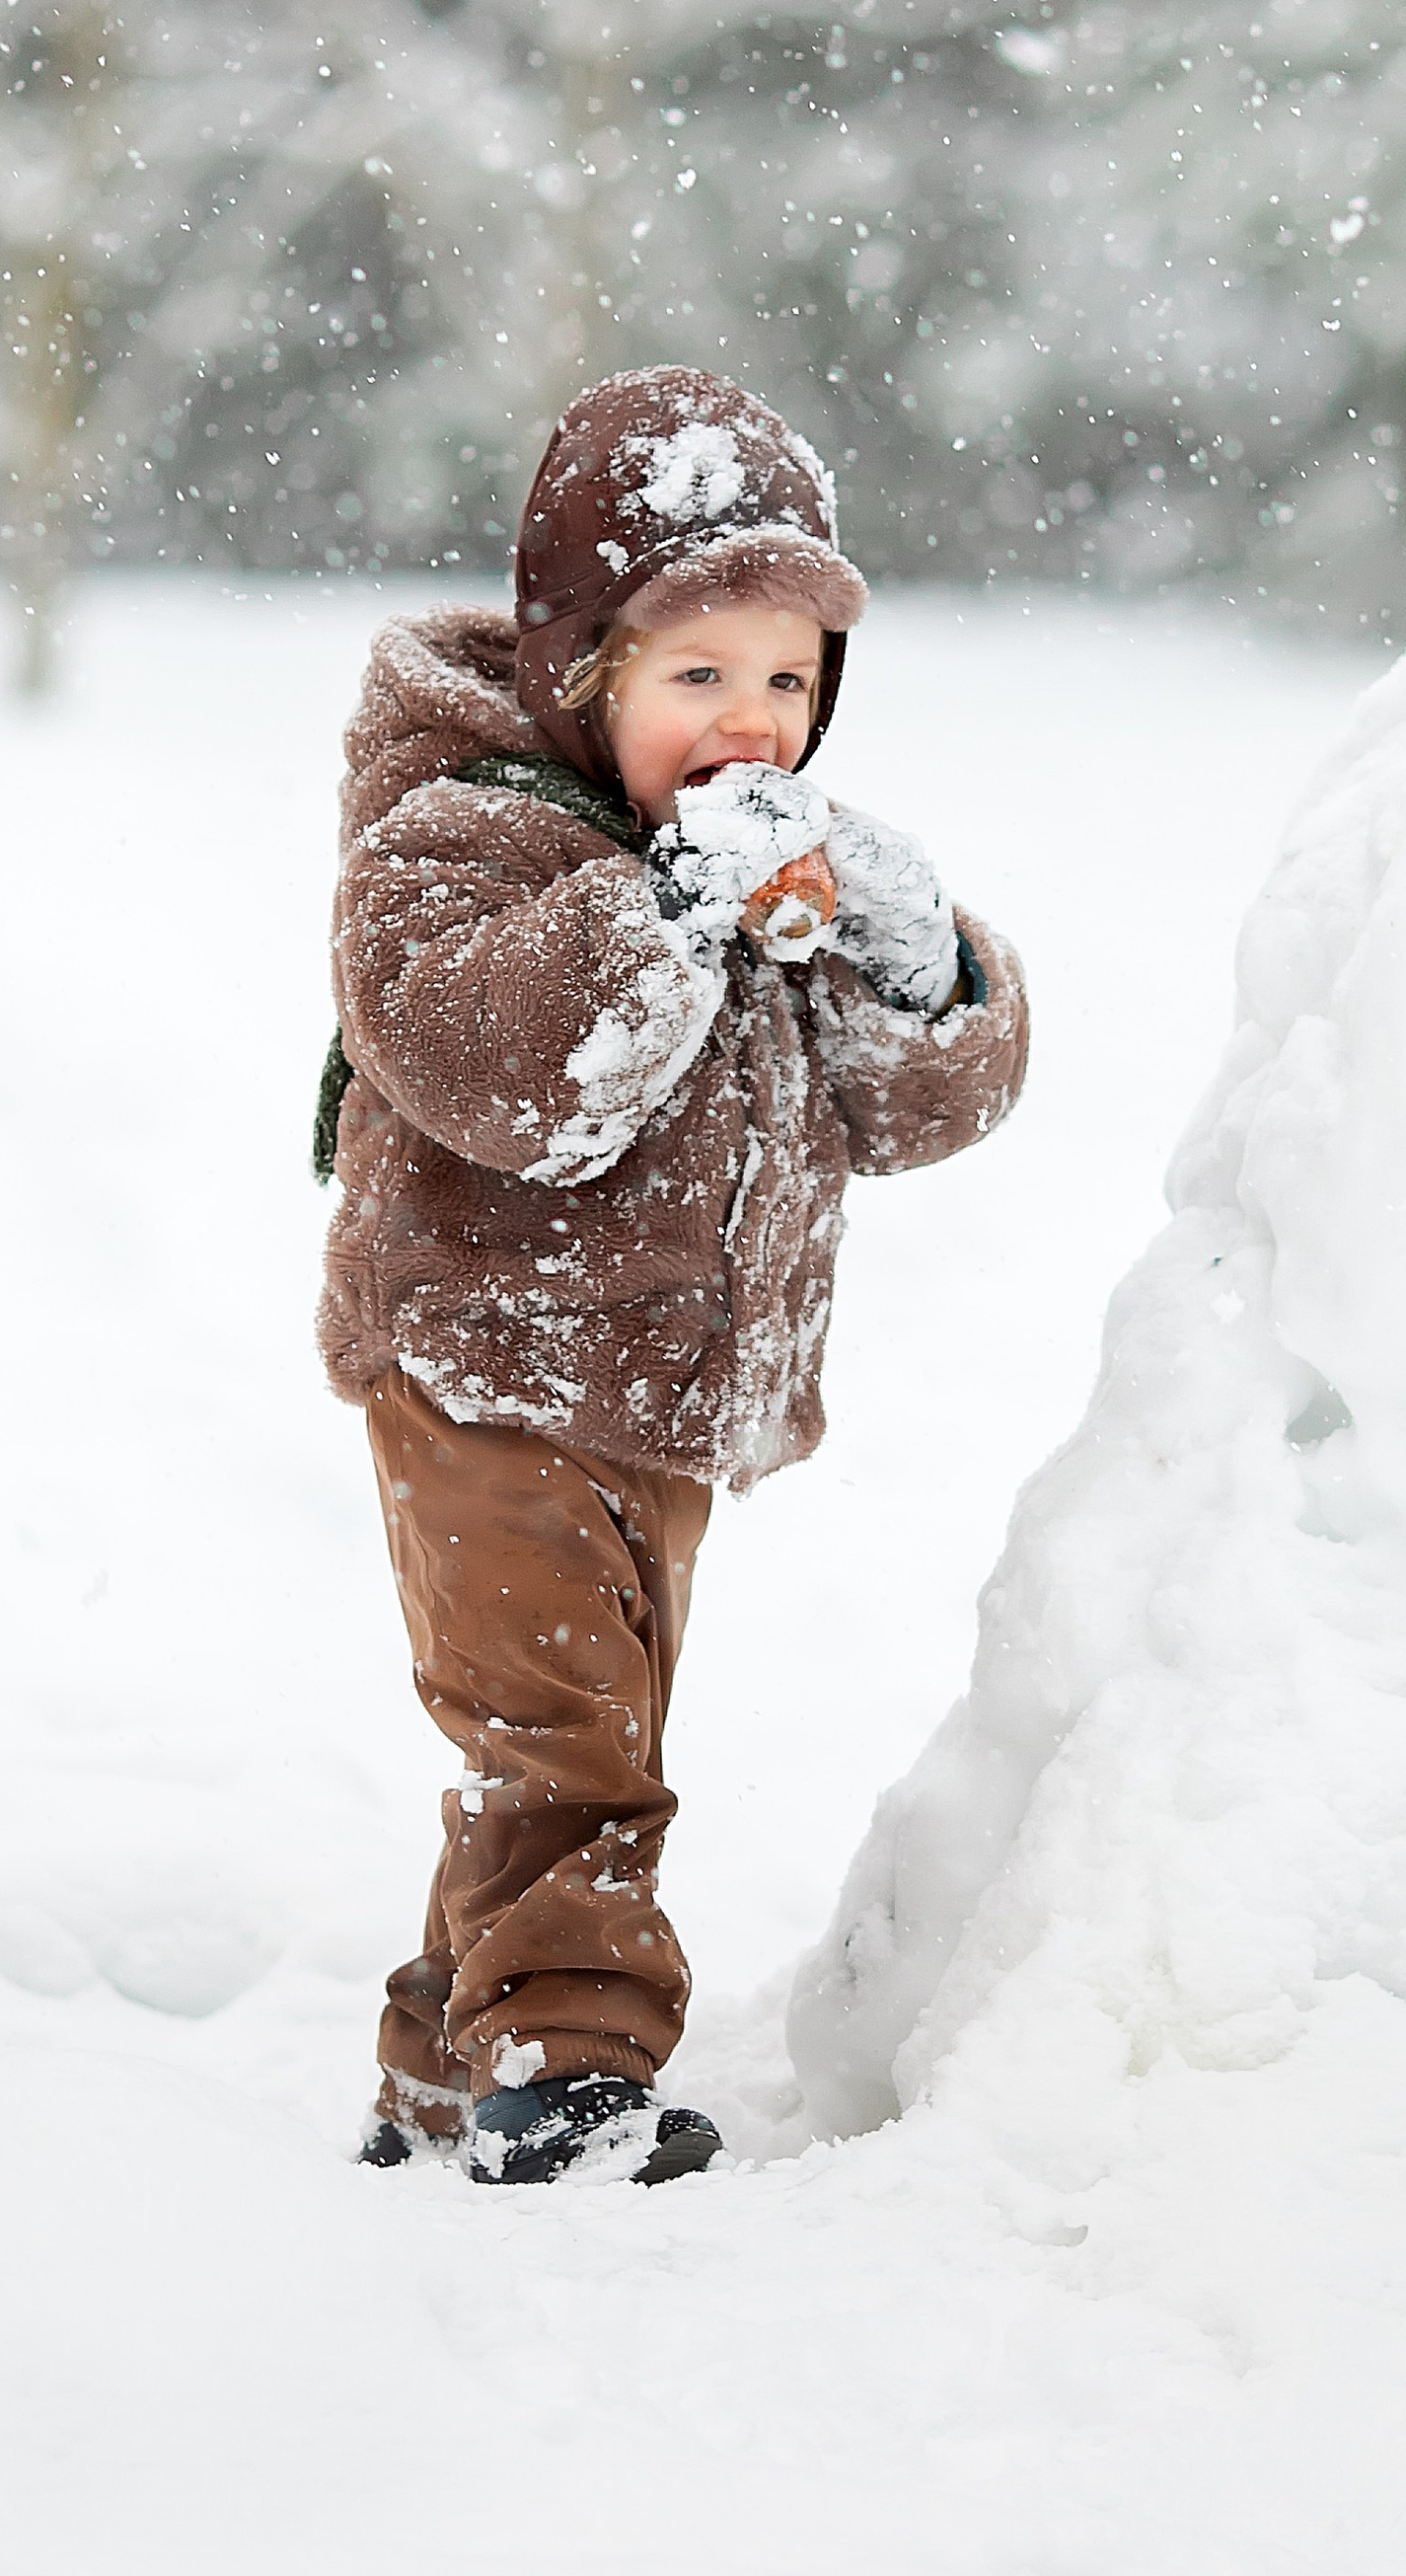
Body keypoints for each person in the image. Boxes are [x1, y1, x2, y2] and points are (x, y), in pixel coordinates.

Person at [314, 366, 1030, 2188]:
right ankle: (571, 2066)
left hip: (658, 1403)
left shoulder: (747, 852)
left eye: (787, 682)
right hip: (487, 1368)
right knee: (563, 1746)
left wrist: (914, 958)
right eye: (697, 678)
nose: (751, 725)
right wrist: (670, 911)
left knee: (557, 1733)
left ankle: (445, 2062)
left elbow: (909, 1107)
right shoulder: (457, 831)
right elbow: (506, 1069)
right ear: (582, 677)